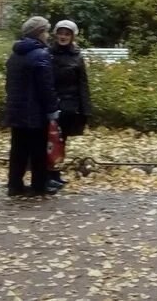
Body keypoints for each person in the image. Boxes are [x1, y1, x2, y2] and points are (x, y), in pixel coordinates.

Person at [3, 16, 59, 197]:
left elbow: (9, 84)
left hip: (16, 110)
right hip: (35, 112)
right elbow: (46, 87)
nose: (48, 35)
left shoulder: (15, 55)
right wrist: (52, 110)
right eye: (46, 31)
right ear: (39, 33)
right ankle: (38, 185)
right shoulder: (41, 55)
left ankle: (14, 184)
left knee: (18, 149)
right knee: (38, 150)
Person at [47, 19, 92, 189]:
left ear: (72, 36)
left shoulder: (77, 56)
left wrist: (85, 108)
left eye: (67, 34)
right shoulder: (49, 54)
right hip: (53, 103)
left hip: (70, 104)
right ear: (55, 34)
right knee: (51, 140)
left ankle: (56, 173)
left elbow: (83, 83)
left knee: (62, 140)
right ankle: (48, 174)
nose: (63, 37)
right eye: (60, 33)